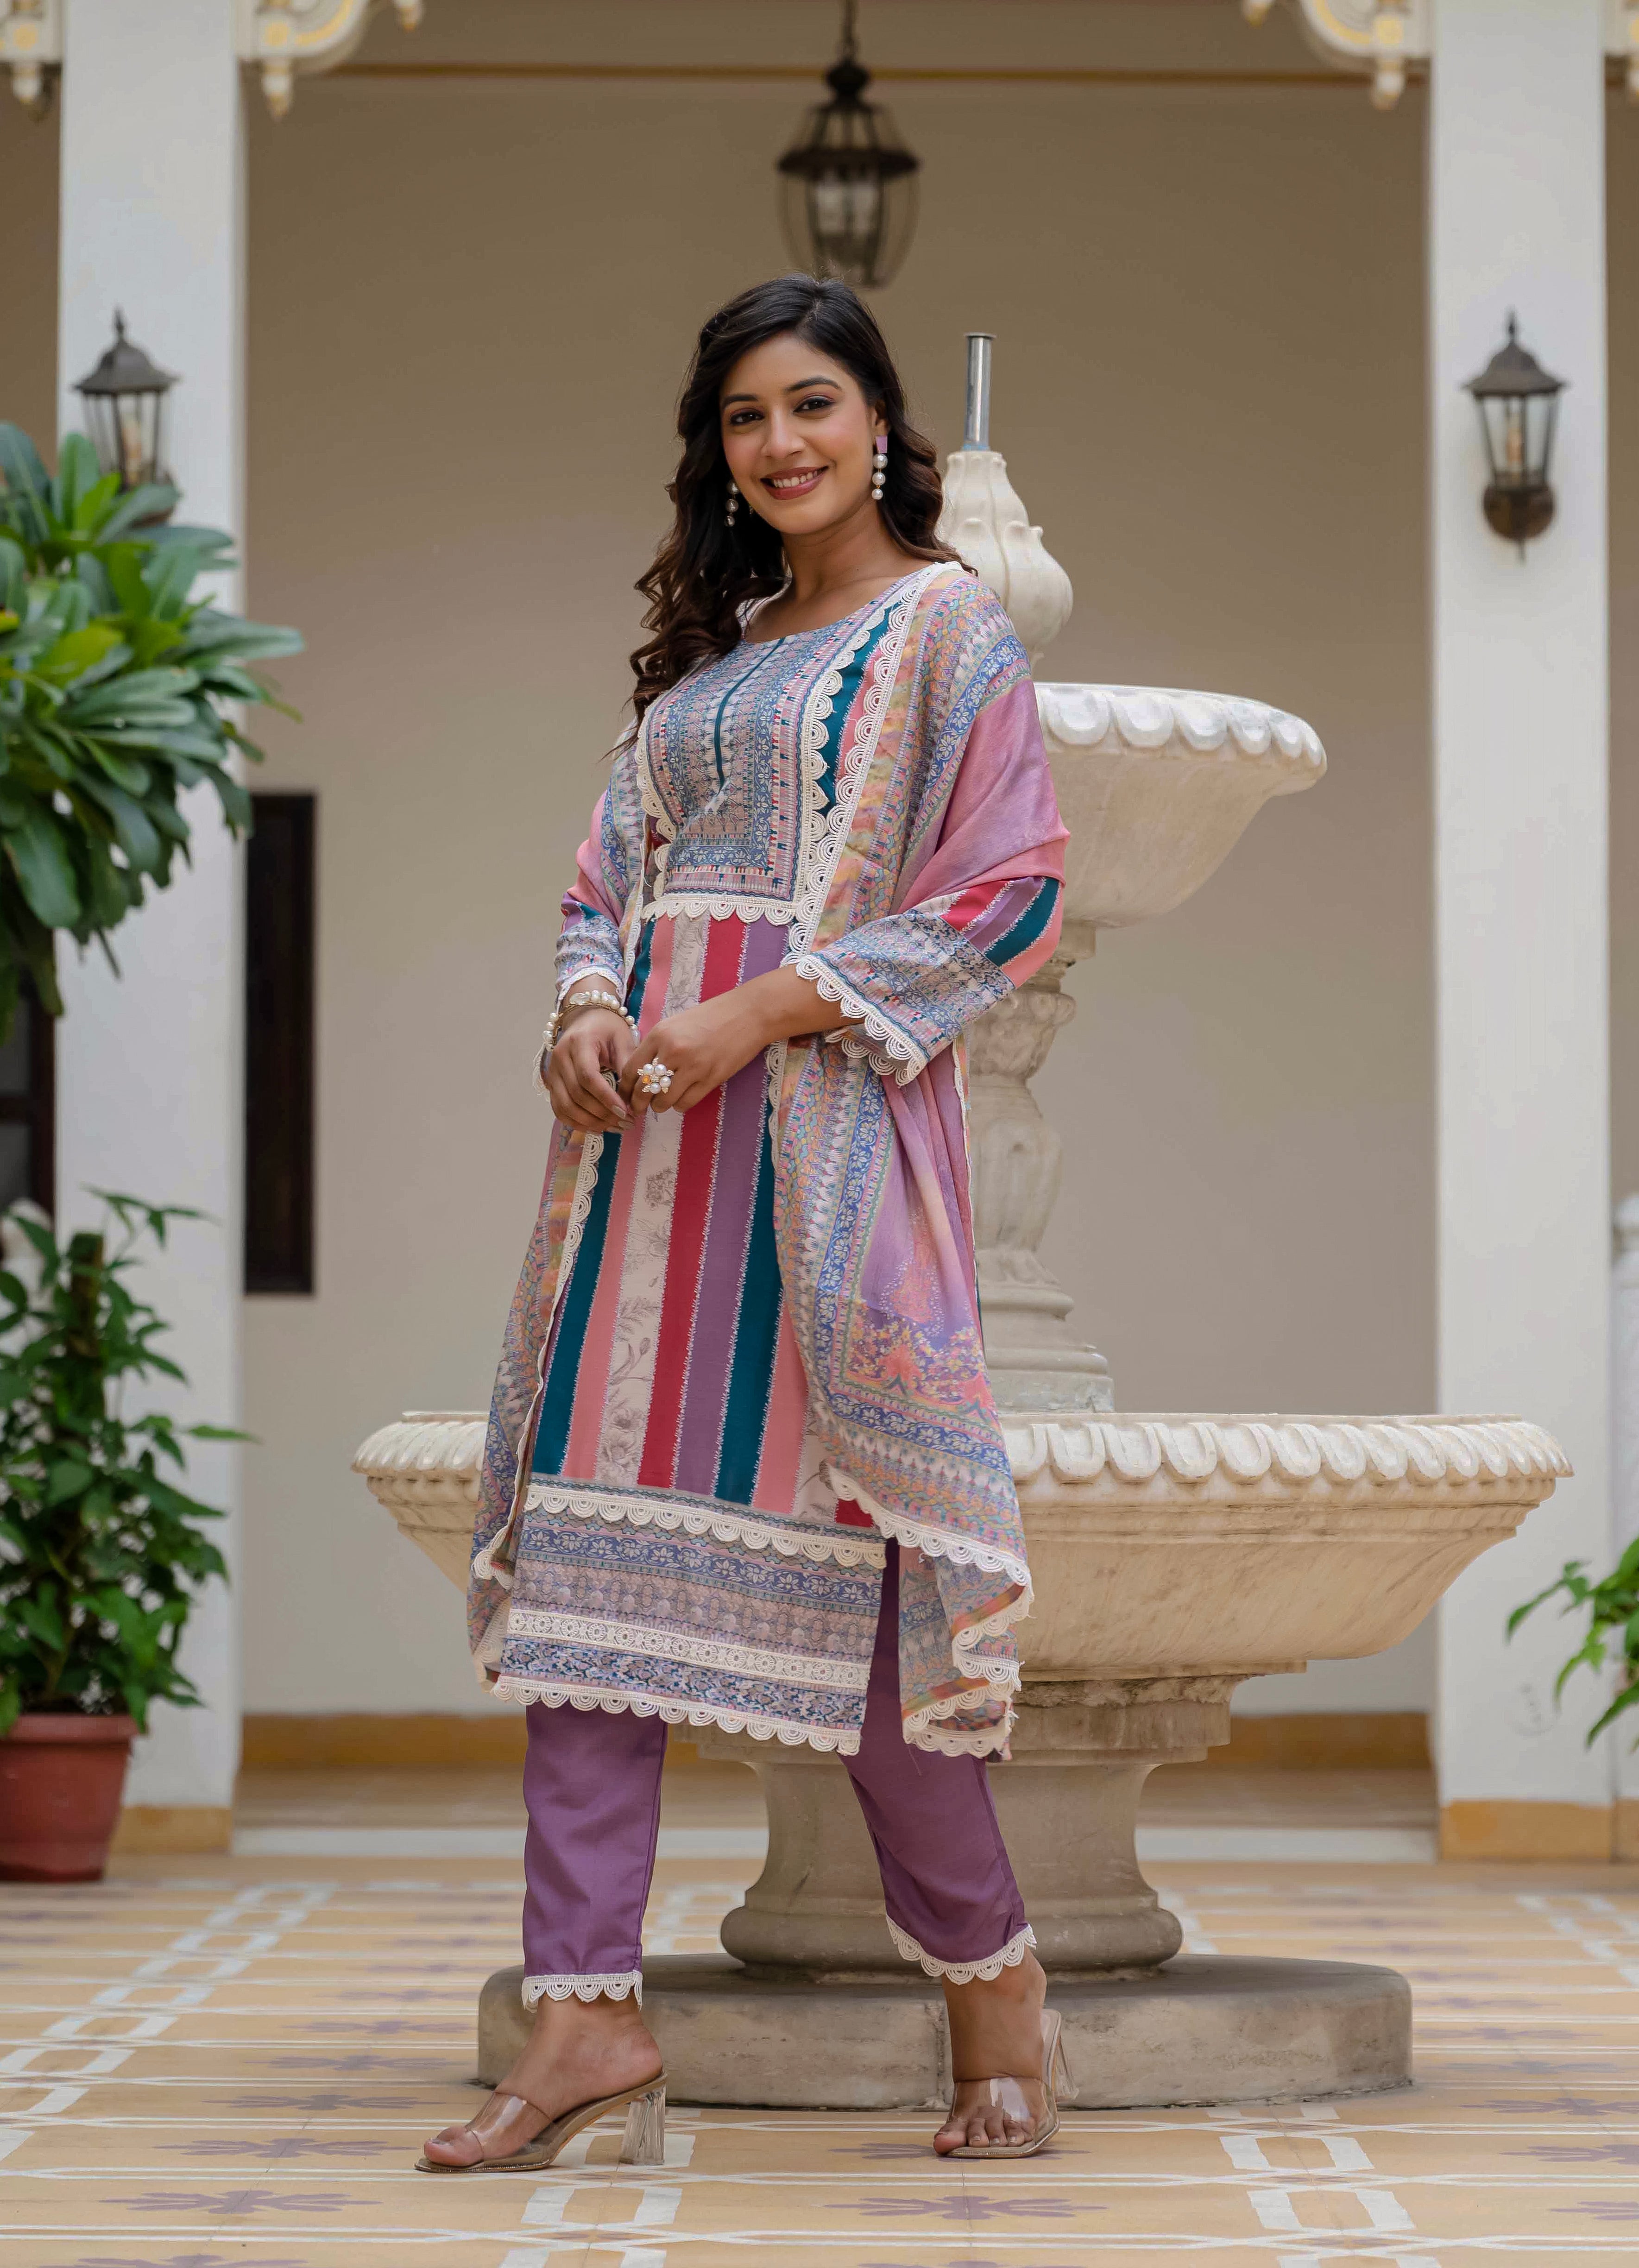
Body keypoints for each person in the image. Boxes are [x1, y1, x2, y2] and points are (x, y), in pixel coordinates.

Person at [420, 274, 1070, 2176]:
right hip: (640, 1181)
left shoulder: (951, 634)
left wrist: (762, 1010)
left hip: (821, 1168)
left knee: (869, 1640)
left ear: (879, 420)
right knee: (591, 1609)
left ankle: (994, 1995)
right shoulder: (714, 665)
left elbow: (1014, 897)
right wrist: (594, 1018)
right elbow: (596, 878)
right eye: (742, 419)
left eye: (811, 404)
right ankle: (584, 2021)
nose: (779, 444)